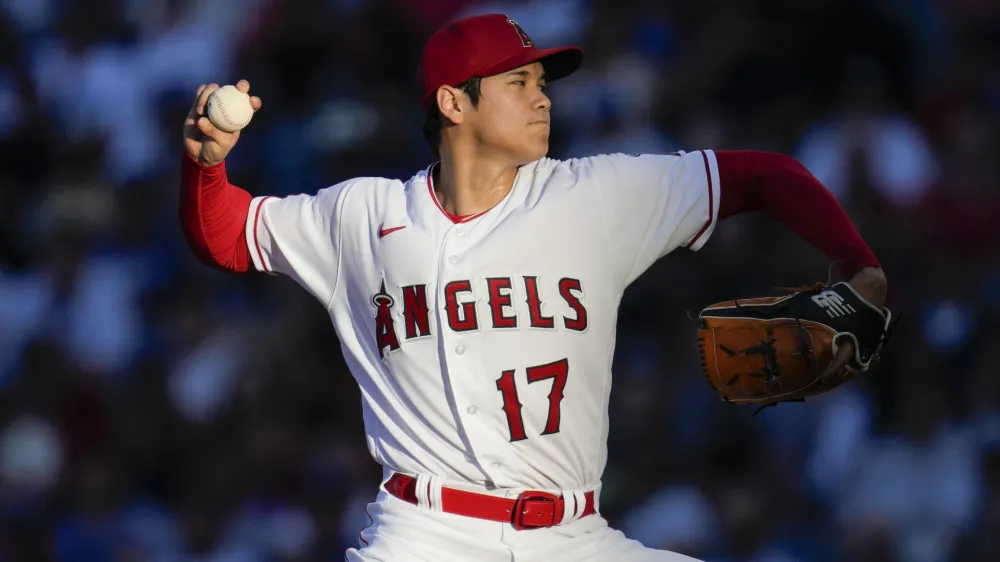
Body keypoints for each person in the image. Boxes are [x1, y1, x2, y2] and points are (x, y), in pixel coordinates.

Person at [179, 13, 887, 562]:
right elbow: (226, 235)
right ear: (455, 103)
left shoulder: (594, 196)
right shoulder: (362, 216)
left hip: (574, 535)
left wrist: (858, 263)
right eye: (518, 83)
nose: (541, 98)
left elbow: (758, 175)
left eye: (541, 83)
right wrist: (206, 167)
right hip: (427, 533)